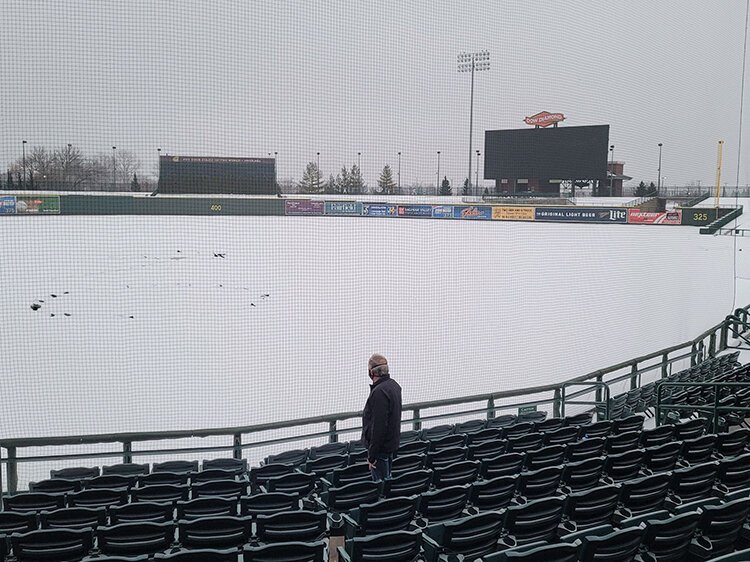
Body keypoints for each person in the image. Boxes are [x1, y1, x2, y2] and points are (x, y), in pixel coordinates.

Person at [361, 353, 402, 482]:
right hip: (390, 446)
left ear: (371, 372)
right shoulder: (394, 386)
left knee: (382, 487)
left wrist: (372, 456)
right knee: (388, 482)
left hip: (380, 451)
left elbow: (378, 427)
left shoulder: (379, 392)